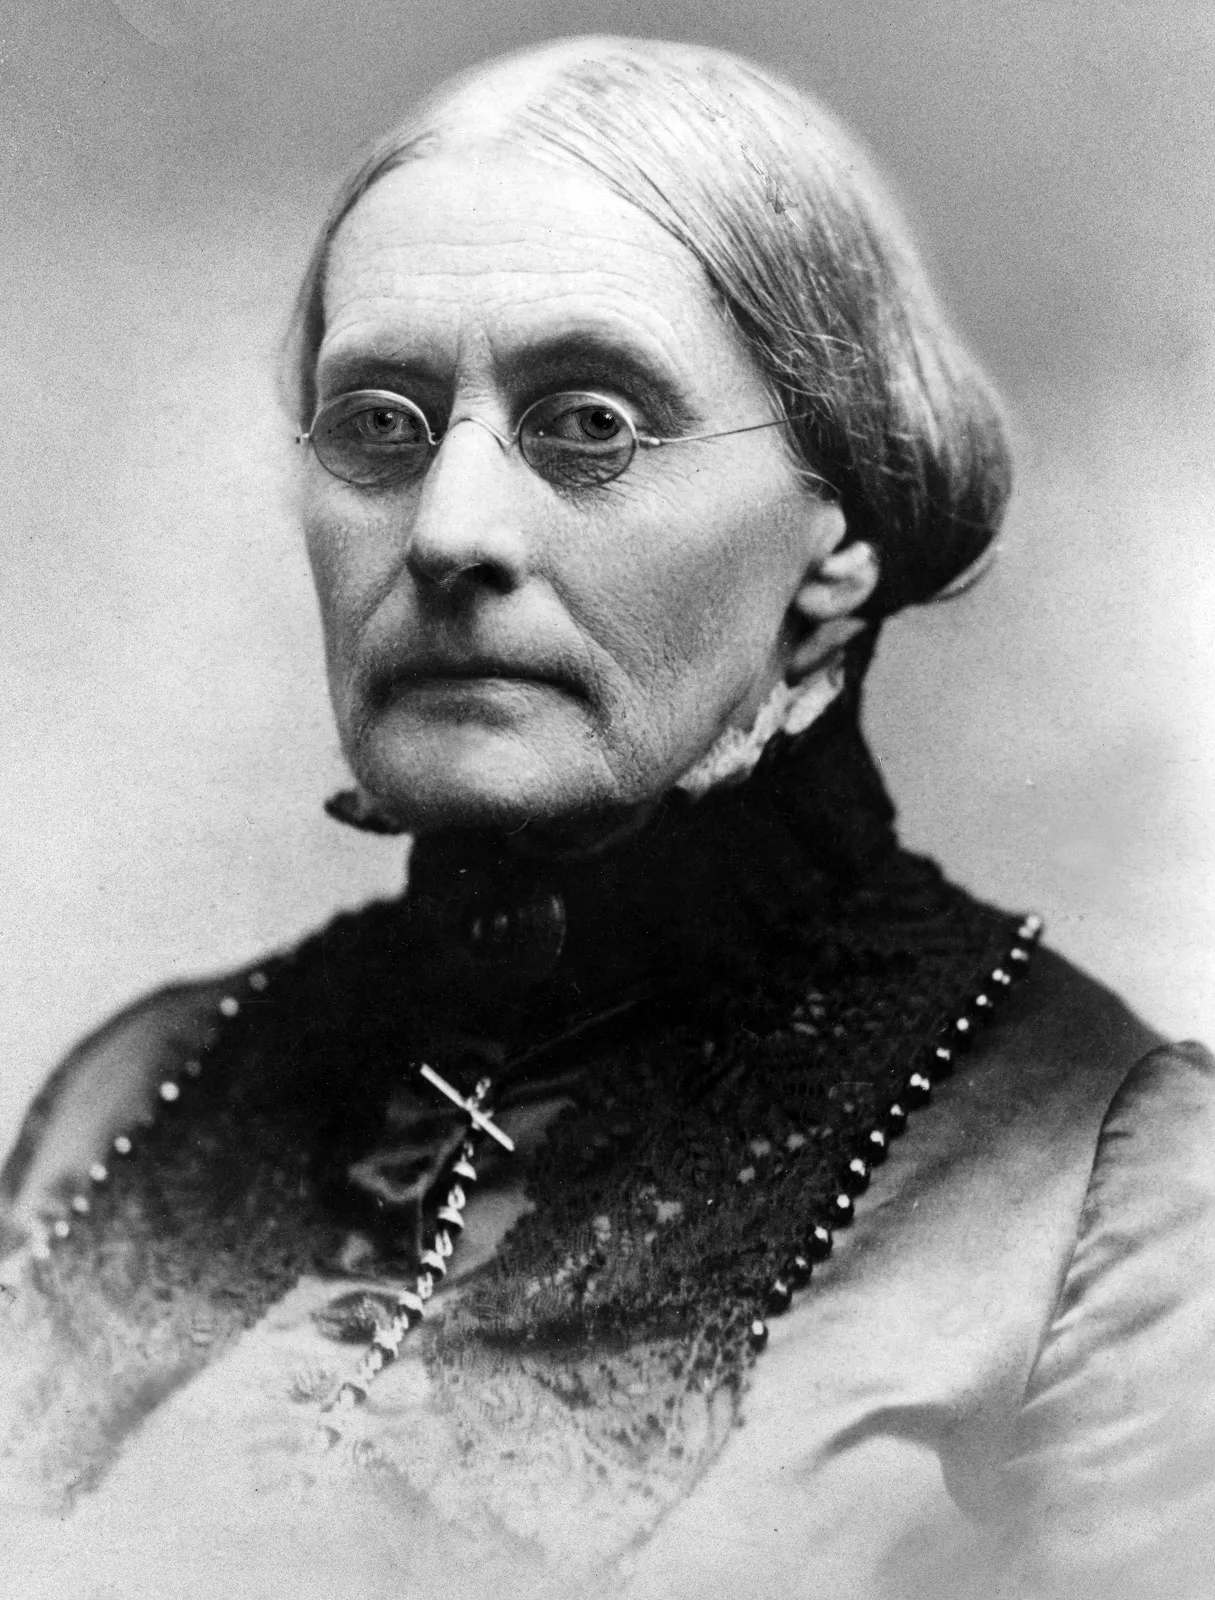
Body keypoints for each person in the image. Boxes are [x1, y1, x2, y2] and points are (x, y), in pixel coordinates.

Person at [1, 35, 1211, 1600]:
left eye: (589, 424)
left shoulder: (1098, 1189)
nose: (448, 531)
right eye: (378, 424)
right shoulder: (134, 1100)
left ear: (839, 529)